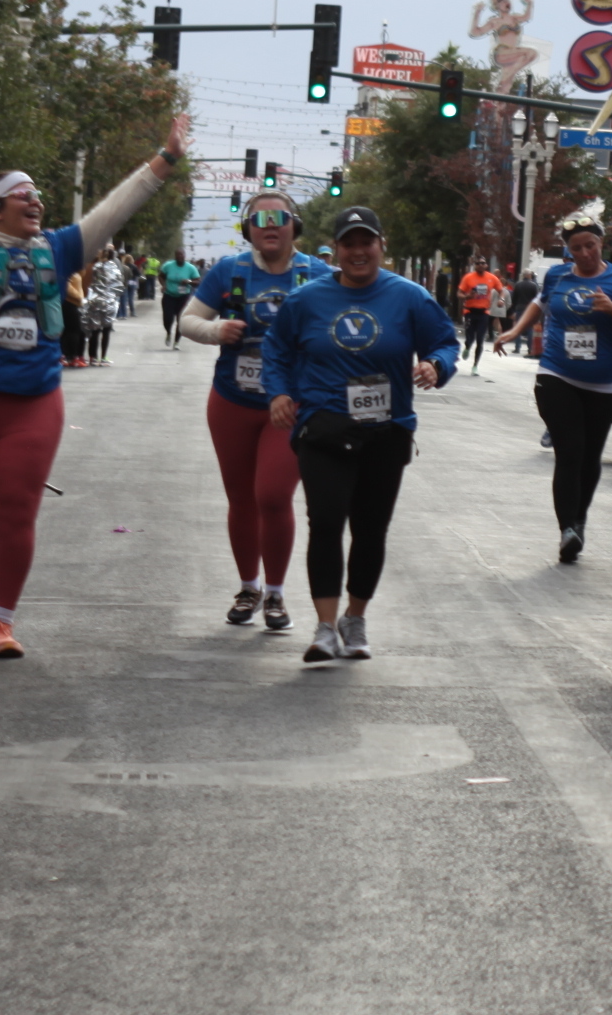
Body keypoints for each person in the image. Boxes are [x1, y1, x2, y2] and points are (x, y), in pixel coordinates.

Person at [0, 67, 187, 659]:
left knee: (16, 507)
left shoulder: (61, 248)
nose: (37, 202)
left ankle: (0, 623)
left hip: (33, 403)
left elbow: (115, 210)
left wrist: (166, 158)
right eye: (25, 195)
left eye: (39, 197)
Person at [262, 207, 458, 663]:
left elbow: (445, 341)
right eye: (348, 244)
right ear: (336, 250)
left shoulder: (409, 297)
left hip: (386, 430)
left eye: (365, 242)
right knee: (326, 522)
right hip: (323, 428)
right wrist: (279, 393)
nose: (357, 252)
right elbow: (276, 349)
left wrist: (436, 365)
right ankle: (325, 628)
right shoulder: (307, 300)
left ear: (380, 245)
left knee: (370, 529)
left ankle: (355, 617)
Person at [183, 193, 330, 630]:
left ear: (293, 225)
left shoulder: (318, 275)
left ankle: (276, 593)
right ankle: (249, 588)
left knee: (272, 495)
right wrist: (216, 330)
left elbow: (345, 324)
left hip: (289, 407)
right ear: (247, 228)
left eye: (278, 217)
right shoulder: (229, 272)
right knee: (241, 498)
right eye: (258, 218)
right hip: (232, 401)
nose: (269, 225)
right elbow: (188, 321)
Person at [493, 220, 612, 562]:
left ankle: (579, 520)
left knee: (590, 458)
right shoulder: (558, 276)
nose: (585, 253)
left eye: (590, 245)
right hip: (557, 374)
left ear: (601, 243)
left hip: (605, 382)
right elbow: (540, 304)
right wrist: (515, 330)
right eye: (576, 248)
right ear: (568, 251)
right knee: (570, 452)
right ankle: (566, 530)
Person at [454, 257, 504, 370]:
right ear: (475, 265)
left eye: (483, 263)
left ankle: (475, 365)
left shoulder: (492, 278)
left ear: (486, 265)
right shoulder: (468, 277)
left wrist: (501, 300)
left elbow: (501, 291)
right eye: (478, 263)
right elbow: (459, 293)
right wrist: (467, 296)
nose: (480, 265)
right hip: (470, 311)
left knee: (480, 340)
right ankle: (467, 347)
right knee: (470, 338)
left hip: (483, 312)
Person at [157, 249, 203, 347]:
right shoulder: (168, 265)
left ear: (184, 256)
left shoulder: (191, 268)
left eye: (181, 255)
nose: (180, 257)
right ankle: (168, 332)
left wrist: (189, 281)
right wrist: (164, 285)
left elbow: (198, 282)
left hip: (183, 297)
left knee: (181, 320)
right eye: (178, 255)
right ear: (175, 256)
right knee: (167, 319)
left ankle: (176, 342)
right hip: (169, 295)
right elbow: (160, 276)